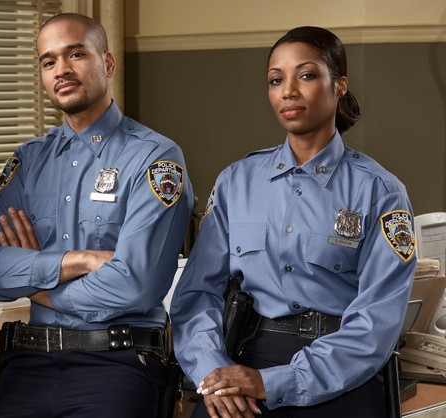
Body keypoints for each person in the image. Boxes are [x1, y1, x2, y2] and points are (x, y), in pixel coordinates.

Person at [170, 26, 416, 418]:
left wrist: (273, 383)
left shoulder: (381, 192)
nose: (288, 91)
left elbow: (376, 324)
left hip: (341, 369)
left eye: (306, 75)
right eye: (275, 79)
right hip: (246, 355)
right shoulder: (237, 182)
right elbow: (196, 295)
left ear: (339, 86)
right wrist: (213, 372)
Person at [0, 12, 194, 418]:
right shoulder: (29, 161)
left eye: (76, 54)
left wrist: (35, 285)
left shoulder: (154, 158)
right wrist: (75, 262)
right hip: (29, 363)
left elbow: (135, 285)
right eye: (48, 61)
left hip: (119, 362)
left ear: (107, 63)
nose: (62, 70)